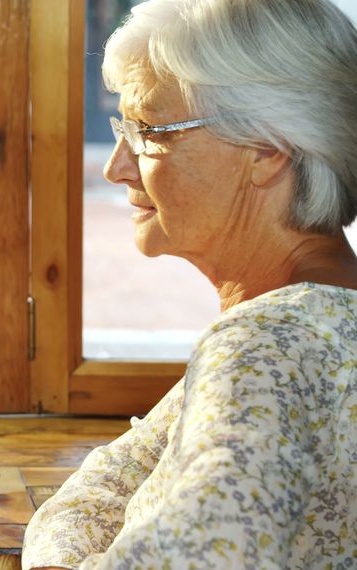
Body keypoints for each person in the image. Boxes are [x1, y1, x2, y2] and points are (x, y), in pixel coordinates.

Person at [23, 0, 357, 568]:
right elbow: (109, 483)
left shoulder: (266, 348)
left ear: (266, 151)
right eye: (122, 127)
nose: (117, 167)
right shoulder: (310, 326)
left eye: (150, 131)